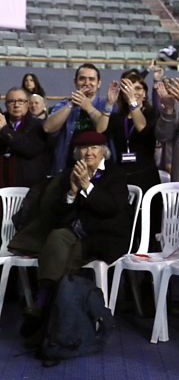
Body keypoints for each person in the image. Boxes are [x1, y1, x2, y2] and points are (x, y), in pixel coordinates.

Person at [16, 130, 131, 344]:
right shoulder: (70, 173)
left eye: (94, 148)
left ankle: (44, 306)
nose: (89, 152)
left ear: (103, 151)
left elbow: (111, 208)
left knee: (62, 254)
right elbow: (58, 216)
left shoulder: (115, 175)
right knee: (57, 236)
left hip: (102, 236)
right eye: (84, 148)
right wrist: (72, 191)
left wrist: (87, 186)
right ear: (77, 152)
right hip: (72, 233)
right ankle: (53, 314)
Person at [96, 71, 160, 197]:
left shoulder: (151, 114)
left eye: (138, 88)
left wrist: (132, 101)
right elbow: (100, 131)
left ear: (145, 93)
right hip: (122, 175)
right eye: (128, 88)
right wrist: (109, 104)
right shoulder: (117, 117)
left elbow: (141, 127)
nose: (133, 91)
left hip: (146, 174)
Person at [43, 63, 108, 176]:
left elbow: (103, 129)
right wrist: (71, 104)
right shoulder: (64, 104)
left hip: (99, 169)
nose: (87, 83)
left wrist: (88, 107)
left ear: (99, 83)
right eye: (82, 79)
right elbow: (48, 128)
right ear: (75, 81)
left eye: (91, 79)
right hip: (66, 166)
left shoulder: (107, 105)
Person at [0, 87, 50, 188]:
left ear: (27, 104)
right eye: (11, 101)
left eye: (20, 101)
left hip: (28, 184)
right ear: (5, 105)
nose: (16, 105)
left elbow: (29, 149)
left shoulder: (38, 125)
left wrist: (5, 130)